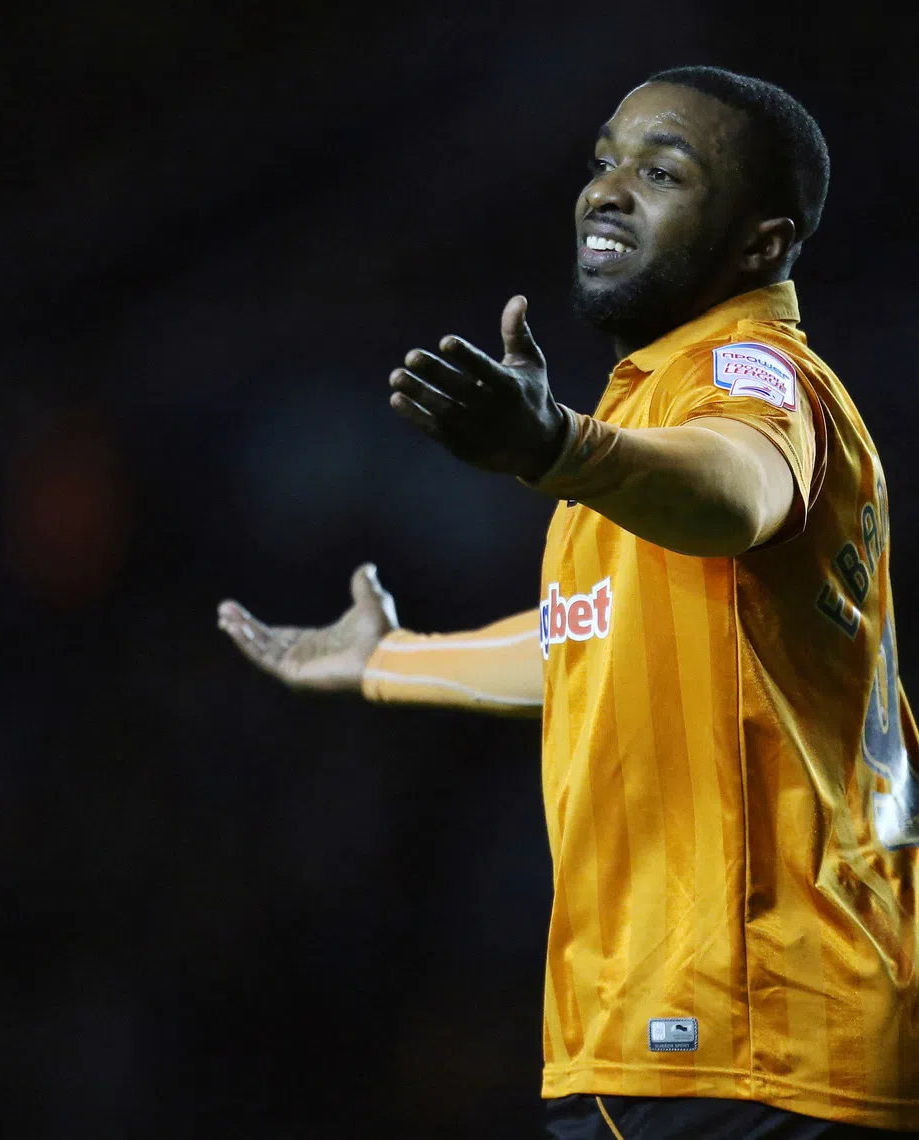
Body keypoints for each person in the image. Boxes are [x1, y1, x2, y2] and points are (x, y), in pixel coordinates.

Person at [218, 66, 919, 1138]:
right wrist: (384, 659)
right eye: (605, 159)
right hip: (722, 1042)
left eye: (664, 169)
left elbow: (737, 488)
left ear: (761, 244)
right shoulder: (657, 405)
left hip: (748, 1042)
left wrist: (559, 447)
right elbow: (590, 641)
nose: (607, 188)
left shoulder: (753, 374)